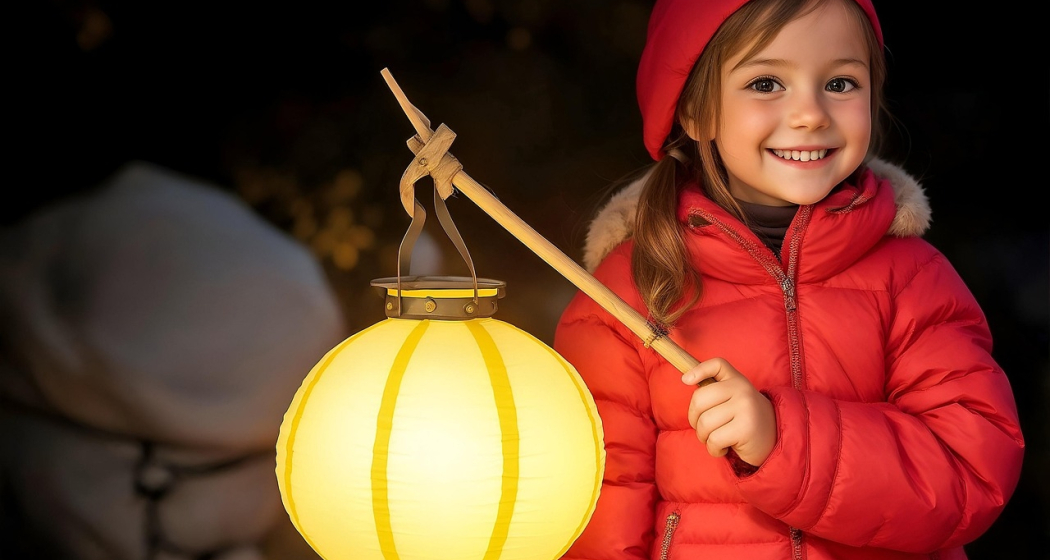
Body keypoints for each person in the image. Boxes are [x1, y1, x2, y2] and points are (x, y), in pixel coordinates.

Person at [552, 0, 1025, 559]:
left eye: (841, 83)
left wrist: (784, 440)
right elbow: (600, 515)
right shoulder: (625, 296)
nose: (811, 114)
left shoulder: (913, 278)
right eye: (767, 83)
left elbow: (972, 473)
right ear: (695, 112)